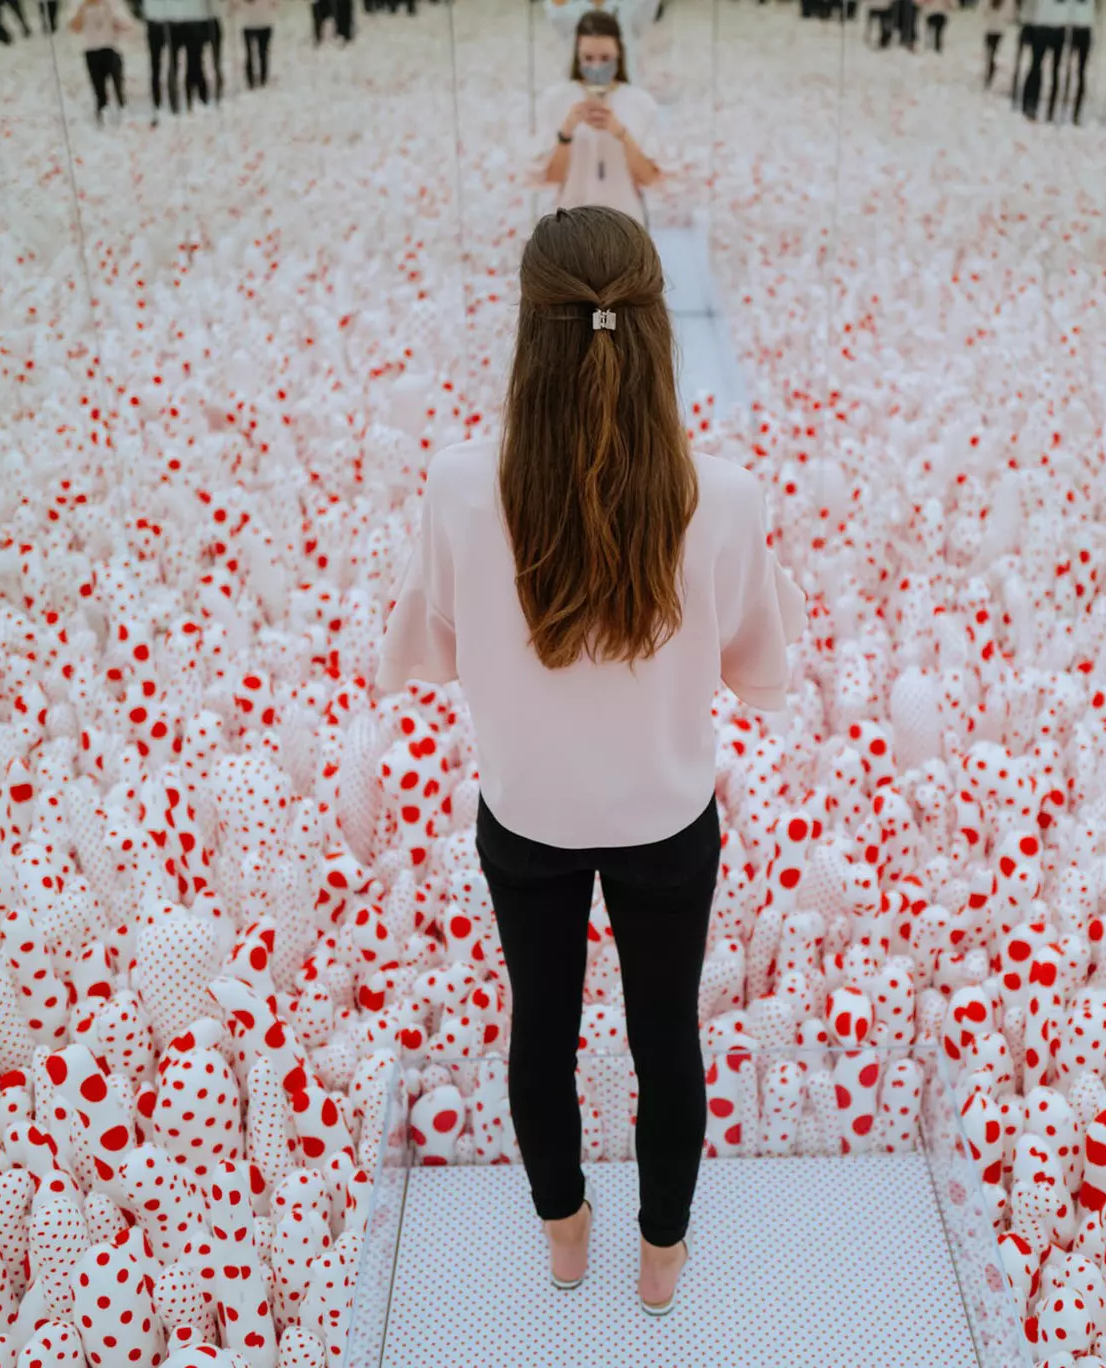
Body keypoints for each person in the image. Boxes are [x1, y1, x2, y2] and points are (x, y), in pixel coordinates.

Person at [380, 205, 804, 1319]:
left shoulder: (461, 484)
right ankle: (660, 1259)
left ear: (530, 331)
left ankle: (565, 1238)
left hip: (527, 819)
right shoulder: (724, 495)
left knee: (541, 1029)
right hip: (668, 817)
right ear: (656, 327)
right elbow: (763, 668)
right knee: (666, 1037)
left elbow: (431, 642)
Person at [538, 12, 660, 225]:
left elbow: (649, 178)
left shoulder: (641, 103)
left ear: (619, 54)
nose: (596, 67)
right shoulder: (556, 100)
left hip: (625, 225)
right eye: (588, 58)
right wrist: (566, 133)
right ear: (577, 55)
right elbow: (551, 177)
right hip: (571, 225)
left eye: (605, 58)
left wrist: (621, 134)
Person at [549, 0, 655, 87]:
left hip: (625, 90)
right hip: (581, 92)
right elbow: (558, 12)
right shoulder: (568, 12)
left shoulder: (629, 8)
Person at [67, 0, 137, 119]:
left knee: (118, 86)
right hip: (91, 49)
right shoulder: (78, 3)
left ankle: (122, 111)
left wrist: (109, 10)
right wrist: (83, 8)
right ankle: (101, 115)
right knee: (99, 90)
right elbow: (74, 28)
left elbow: (127, 25)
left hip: (112, 48)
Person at [1014, 0, 1065, 119]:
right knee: (1036, 66)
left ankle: (1051, 109)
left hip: (1059, 27)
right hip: (1040, 25)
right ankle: (1029, 103)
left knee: (1055, 69)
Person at [1059, 0, 1093, 121]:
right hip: (1072, 29)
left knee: (1081, 72)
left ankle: (1077, 112)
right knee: (1068, 69)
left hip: (1085, 29)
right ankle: (1063, 105)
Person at [233, 0, 271, 85]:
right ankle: (262, 79)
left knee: (251, 54)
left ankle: (252, 80)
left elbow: (235, 6)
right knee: (262, 53)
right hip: (262, 22)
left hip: (250, 24)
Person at [985, 0, 1010, 87]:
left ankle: (990, 66)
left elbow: (983, 11)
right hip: (1000, 29)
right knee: (994, 51)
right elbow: (1011, 15)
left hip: (989, 28)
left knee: (989, 51)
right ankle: (992, 65)